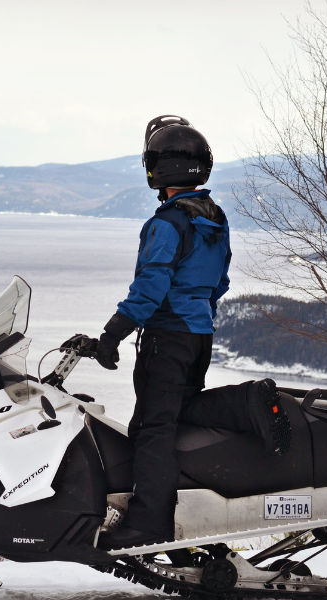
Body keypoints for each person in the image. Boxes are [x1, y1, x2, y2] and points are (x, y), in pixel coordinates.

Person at [94, 115, 290, 550]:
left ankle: (149, 522)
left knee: (152, 429)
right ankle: (242, 405)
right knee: (179, 417)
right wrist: (197, 320)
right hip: (198, 336)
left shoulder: (167, 223)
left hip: (167, 337)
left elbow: (150, 286)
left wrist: (111, 336)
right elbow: (218, 284)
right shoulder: (214, 219)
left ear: (158, 168)